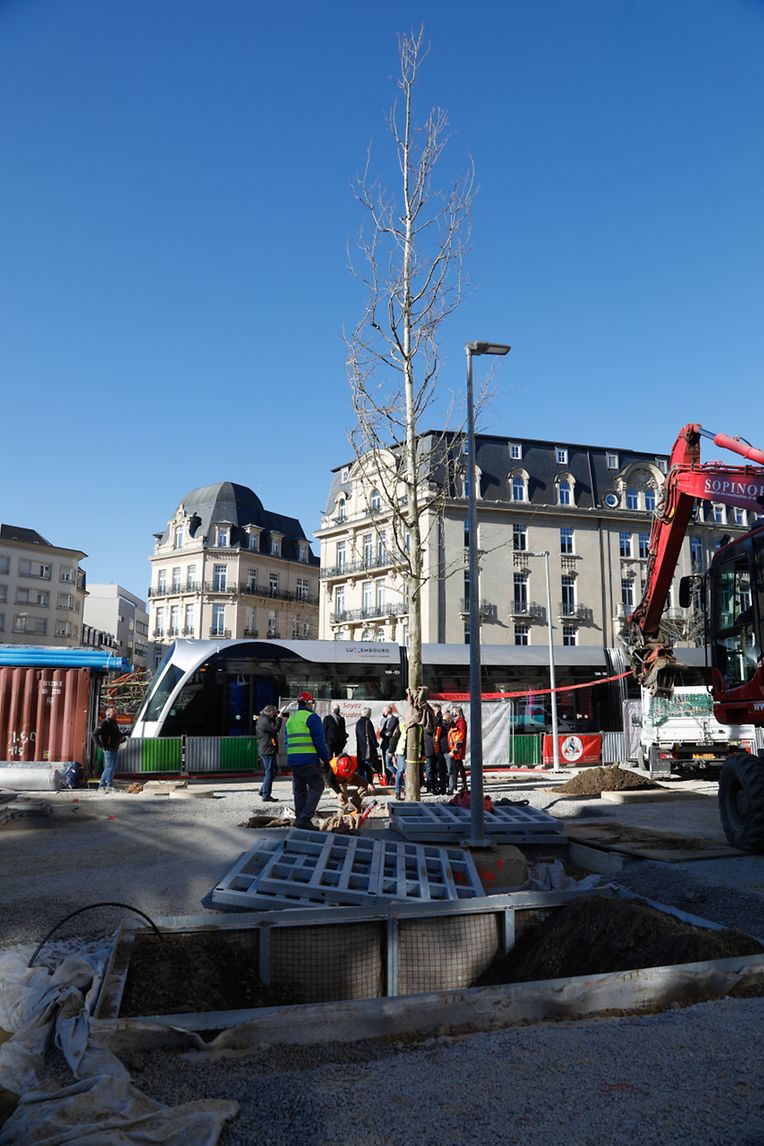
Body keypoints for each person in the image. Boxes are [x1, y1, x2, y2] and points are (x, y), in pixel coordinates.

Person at [285, 691, 330, 829]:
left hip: (293, 760)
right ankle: (305, 818)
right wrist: (327, 760)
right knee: (317, 786)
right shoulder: (312, 718)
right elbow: (319, 742)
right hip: (308, 760)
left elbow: (287, 742)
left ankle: (300, 818)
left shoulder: (291, 720)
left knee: (299, 790)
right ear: (309, 703)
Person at [255, 704, 286, 801]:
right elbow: (275, 728)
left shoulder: (264, 719)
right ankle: (266, 795)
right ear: (270, 713)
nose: (274, 715)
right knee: (269, 772)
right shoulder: (264, 720)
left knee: (273, 771)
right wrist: (280, 718)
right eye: (274, 713)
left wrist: (277, 717)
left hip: (267, 749)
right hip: (267, 750)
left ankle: (263, 790)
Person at [95, 706, 125, 792]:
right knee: (109, 767)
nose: (116, 714)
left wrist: (122, 736)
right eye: (114, 713)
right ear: (108, 714)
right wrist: (101, 745)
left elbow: (116, 733)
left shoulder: (114, 723)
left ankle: (109, 785)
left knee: (112, 767)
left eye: (116, 713)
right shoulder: (104, 723)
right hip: (108, 748)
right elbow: (94, 735)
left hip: (114, 747)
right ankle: (102, 785)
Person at [355, 707, 380, 785]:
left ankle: (360, 782)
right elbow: (371, 735)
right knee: (367, 766)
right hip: (367, 748)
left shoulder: (358, 722)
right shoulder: (368, 722)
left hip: (360, 747)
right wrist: (376, 744)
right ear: (368, 714)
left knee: (361, 766)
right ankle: (368, 783)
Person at [446, 706, 468, 795]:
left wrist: (456, 749)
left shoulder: (461, 722)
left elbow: (460, 736)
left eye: (454, 712)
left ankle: (463, 784)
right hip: (454, 748)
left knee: (458, 766)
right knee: (457, 767)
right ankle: (457, 784)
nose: (453, 714)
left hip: (457, 749)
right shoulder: (457, 722)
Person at [379, 705, 400, 785]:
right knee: (386, 764)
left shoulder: (394, 720)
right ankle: (389, 780)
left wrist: (385, 733)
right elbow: (383, 733)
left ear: (387, 711)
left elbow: (389, 732)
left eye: (383, 711)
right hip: (385, 744)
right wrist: (385, 733)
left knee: (388, 764)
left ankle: (399, 777)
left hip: (390, 744)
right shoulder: (386, 721)